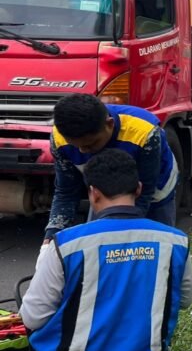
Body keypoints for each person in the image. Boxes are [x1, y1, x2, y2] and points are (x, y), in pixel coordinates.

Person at [16, 150, 192, 351]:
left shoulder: (66, 244)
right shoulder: (174, 240)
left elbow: (32, 318)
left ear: (93, 193)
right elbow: (186, 299)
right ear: (138, 189)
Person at [44, 95, 178, 247]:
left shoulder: (144, 133)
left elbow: (145, 191)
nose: (83, 151)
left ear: (109, 124)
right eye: (75, 146)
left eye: (91, 144)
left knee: (158, 246)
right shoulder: (59, 138)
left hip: (154, 190)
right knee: (98, 247)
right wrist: (53, 233)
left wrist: (125, 234)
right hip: (103, 189)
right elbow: (66, 191)